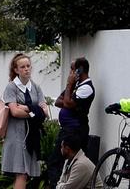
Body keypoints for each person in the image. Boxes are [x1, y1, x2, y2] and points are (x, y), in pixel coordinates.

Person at [1, 53, 49, 189]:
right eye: (22, 67)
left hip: (32, 135)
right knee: (21, 172)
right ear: (16, 70)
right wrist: (34, 113)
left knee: (26, 173)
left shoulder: (36, 87)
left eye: (28, 66)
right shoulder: (11, 87)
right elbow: (14, 111)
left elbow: (45, 112)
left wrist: (27, 108)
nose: (26, 69)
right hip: (16, 135)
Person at [48, 58, 95, 188]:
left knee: (58, 162)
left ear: (80, 70)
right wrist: (70, 90)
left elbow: (67, 103)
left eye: (72, 69)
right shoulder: (76, 86)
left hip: (75, 130)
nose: (70, 73)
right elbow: (58, 101)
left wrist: (69, 85)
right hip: (67, 129)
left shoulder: (86, 88)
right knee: (57, 162)